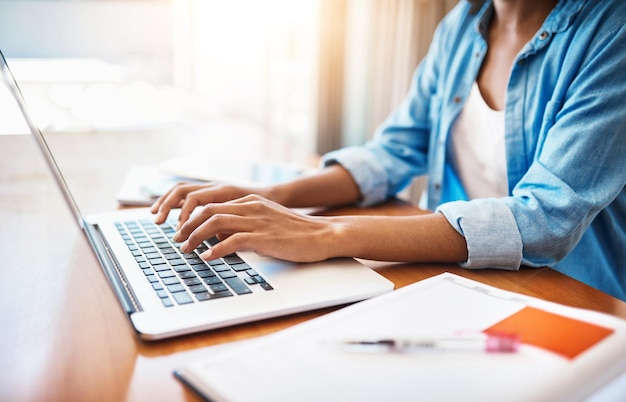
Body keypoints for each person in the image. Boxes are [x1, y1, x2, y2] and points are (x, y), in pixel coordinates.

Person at [152, 0, 626, 301]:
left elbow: (545, 219)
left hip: (576, 298)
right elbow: (393, 151)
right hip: (463, 281)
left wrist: (326, 234)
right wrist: (272, 196)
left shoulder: (612, 31)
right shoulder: (462, 25)